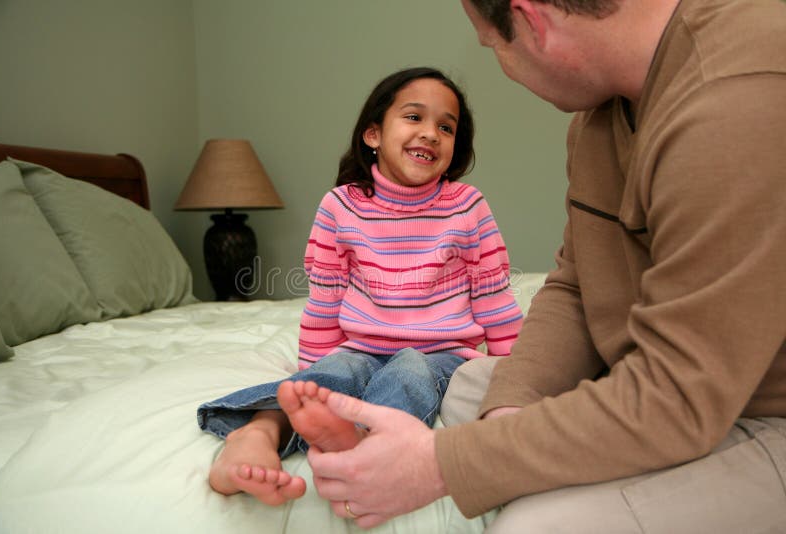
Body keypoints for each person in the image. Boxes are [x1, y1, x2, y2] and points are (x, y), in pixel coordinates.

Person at [303, 0, 786, 531]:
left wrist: (443, 465)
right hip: (673, 390)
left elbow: (678, 392)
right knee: (471, 388)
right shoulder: (600, 116)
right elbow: (578, 286)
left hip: (748, 409)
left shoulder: (734, 96)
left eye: (493, 47)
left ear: (531, 22)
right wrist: (511, 411)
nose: (502, 68)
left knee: (535, 522)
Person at [197, 66, 523, 506]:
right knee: (335, 375)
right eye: (414, 117)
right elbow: (325, 299)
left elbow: (493, 296)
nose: (430, 133)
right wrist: (310, 376)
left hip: (441, 353)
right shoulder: (341, 206)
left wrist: (515, 378)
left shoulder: (467, 207)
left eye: (446, 127)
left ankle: (365, 446)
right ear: (373, 134)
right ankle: (256, 434)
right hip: (360, 346)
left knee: (411, 369)